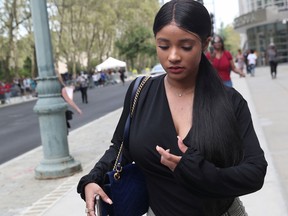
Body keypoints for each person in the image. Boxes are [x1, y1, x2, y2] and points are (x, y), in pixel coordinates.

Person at [77, 1, 267, 216]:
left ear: (205, 44)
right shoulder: (140, 91)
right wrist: (93, 178)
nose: (173, 56)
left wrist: (195, 170)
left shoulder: (230, 102)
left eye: (186, 46)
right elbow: (121, 146)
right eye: (164, 46)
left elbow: (255, 172)